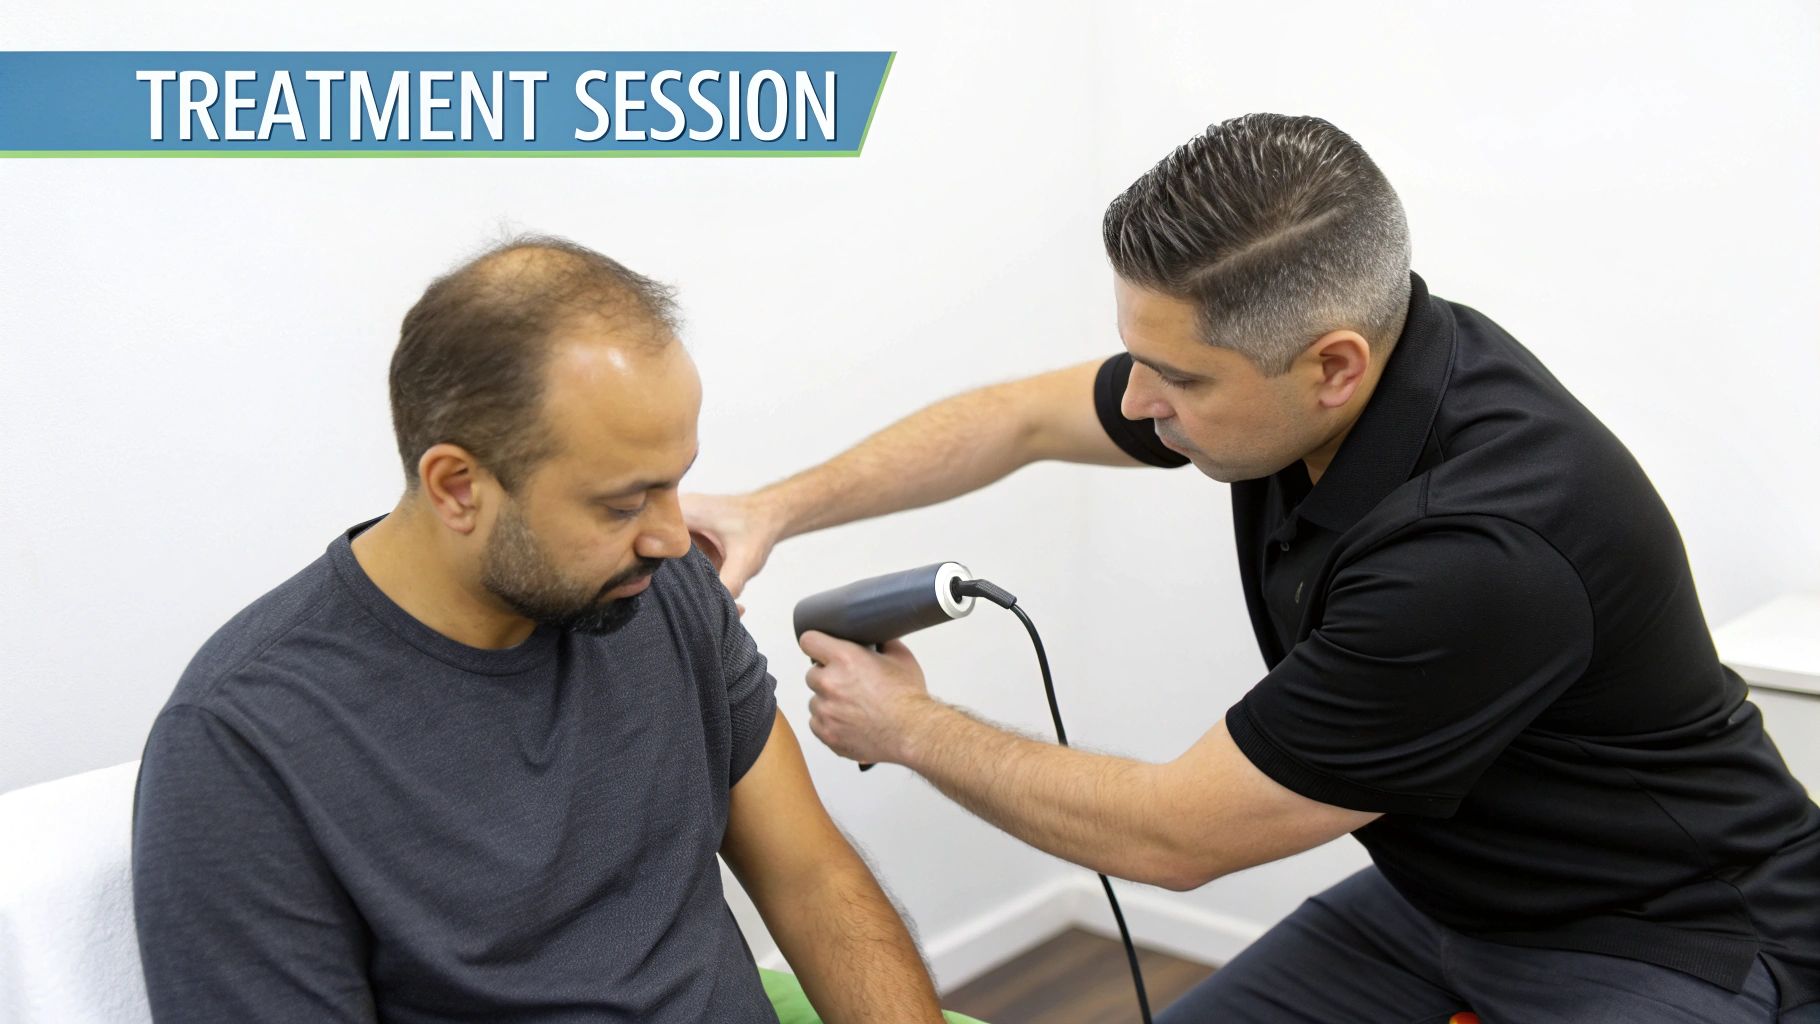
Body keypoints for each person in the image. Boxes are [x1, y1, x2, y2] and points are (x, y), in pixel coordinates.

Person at [683, 114, 1820, 1022]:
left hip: (1671, 940)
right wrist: (776, 505)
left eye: (1172, 378)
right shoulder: (1321, 374)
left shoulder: (1475, 555)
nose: (1133, 403)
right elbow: (1018, 421)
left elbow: (1171, 836)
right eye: (1134, 355)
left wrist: (908, 727)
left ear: (1330, 364)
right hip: (1446, 903)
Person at [131, 238, 949, 1023]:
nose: (672, 538)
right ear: (457, 487)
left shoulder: (661, 593)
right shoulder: (244, 743)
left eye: (676, 484)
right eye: (623, 503)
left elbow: (814, 880)